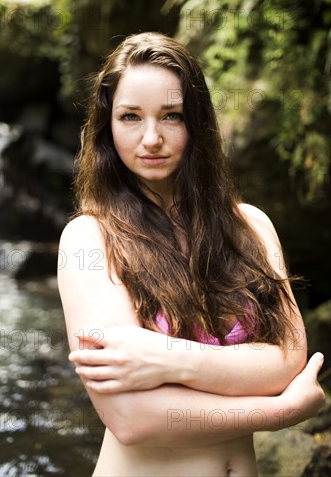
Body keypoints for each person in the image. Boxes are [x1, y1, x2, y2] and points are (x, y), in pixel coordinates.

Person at [58, 32, 325, 477]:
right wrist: (280, 412)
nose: (151, 138)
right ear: (107, 128)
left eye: (171, 116)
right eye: (129, 117)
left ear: (197, 123)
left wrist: (165, 358)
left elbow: (288, 360)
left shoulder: (251, 226)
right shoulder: (90, 240)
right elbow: (132, 419)